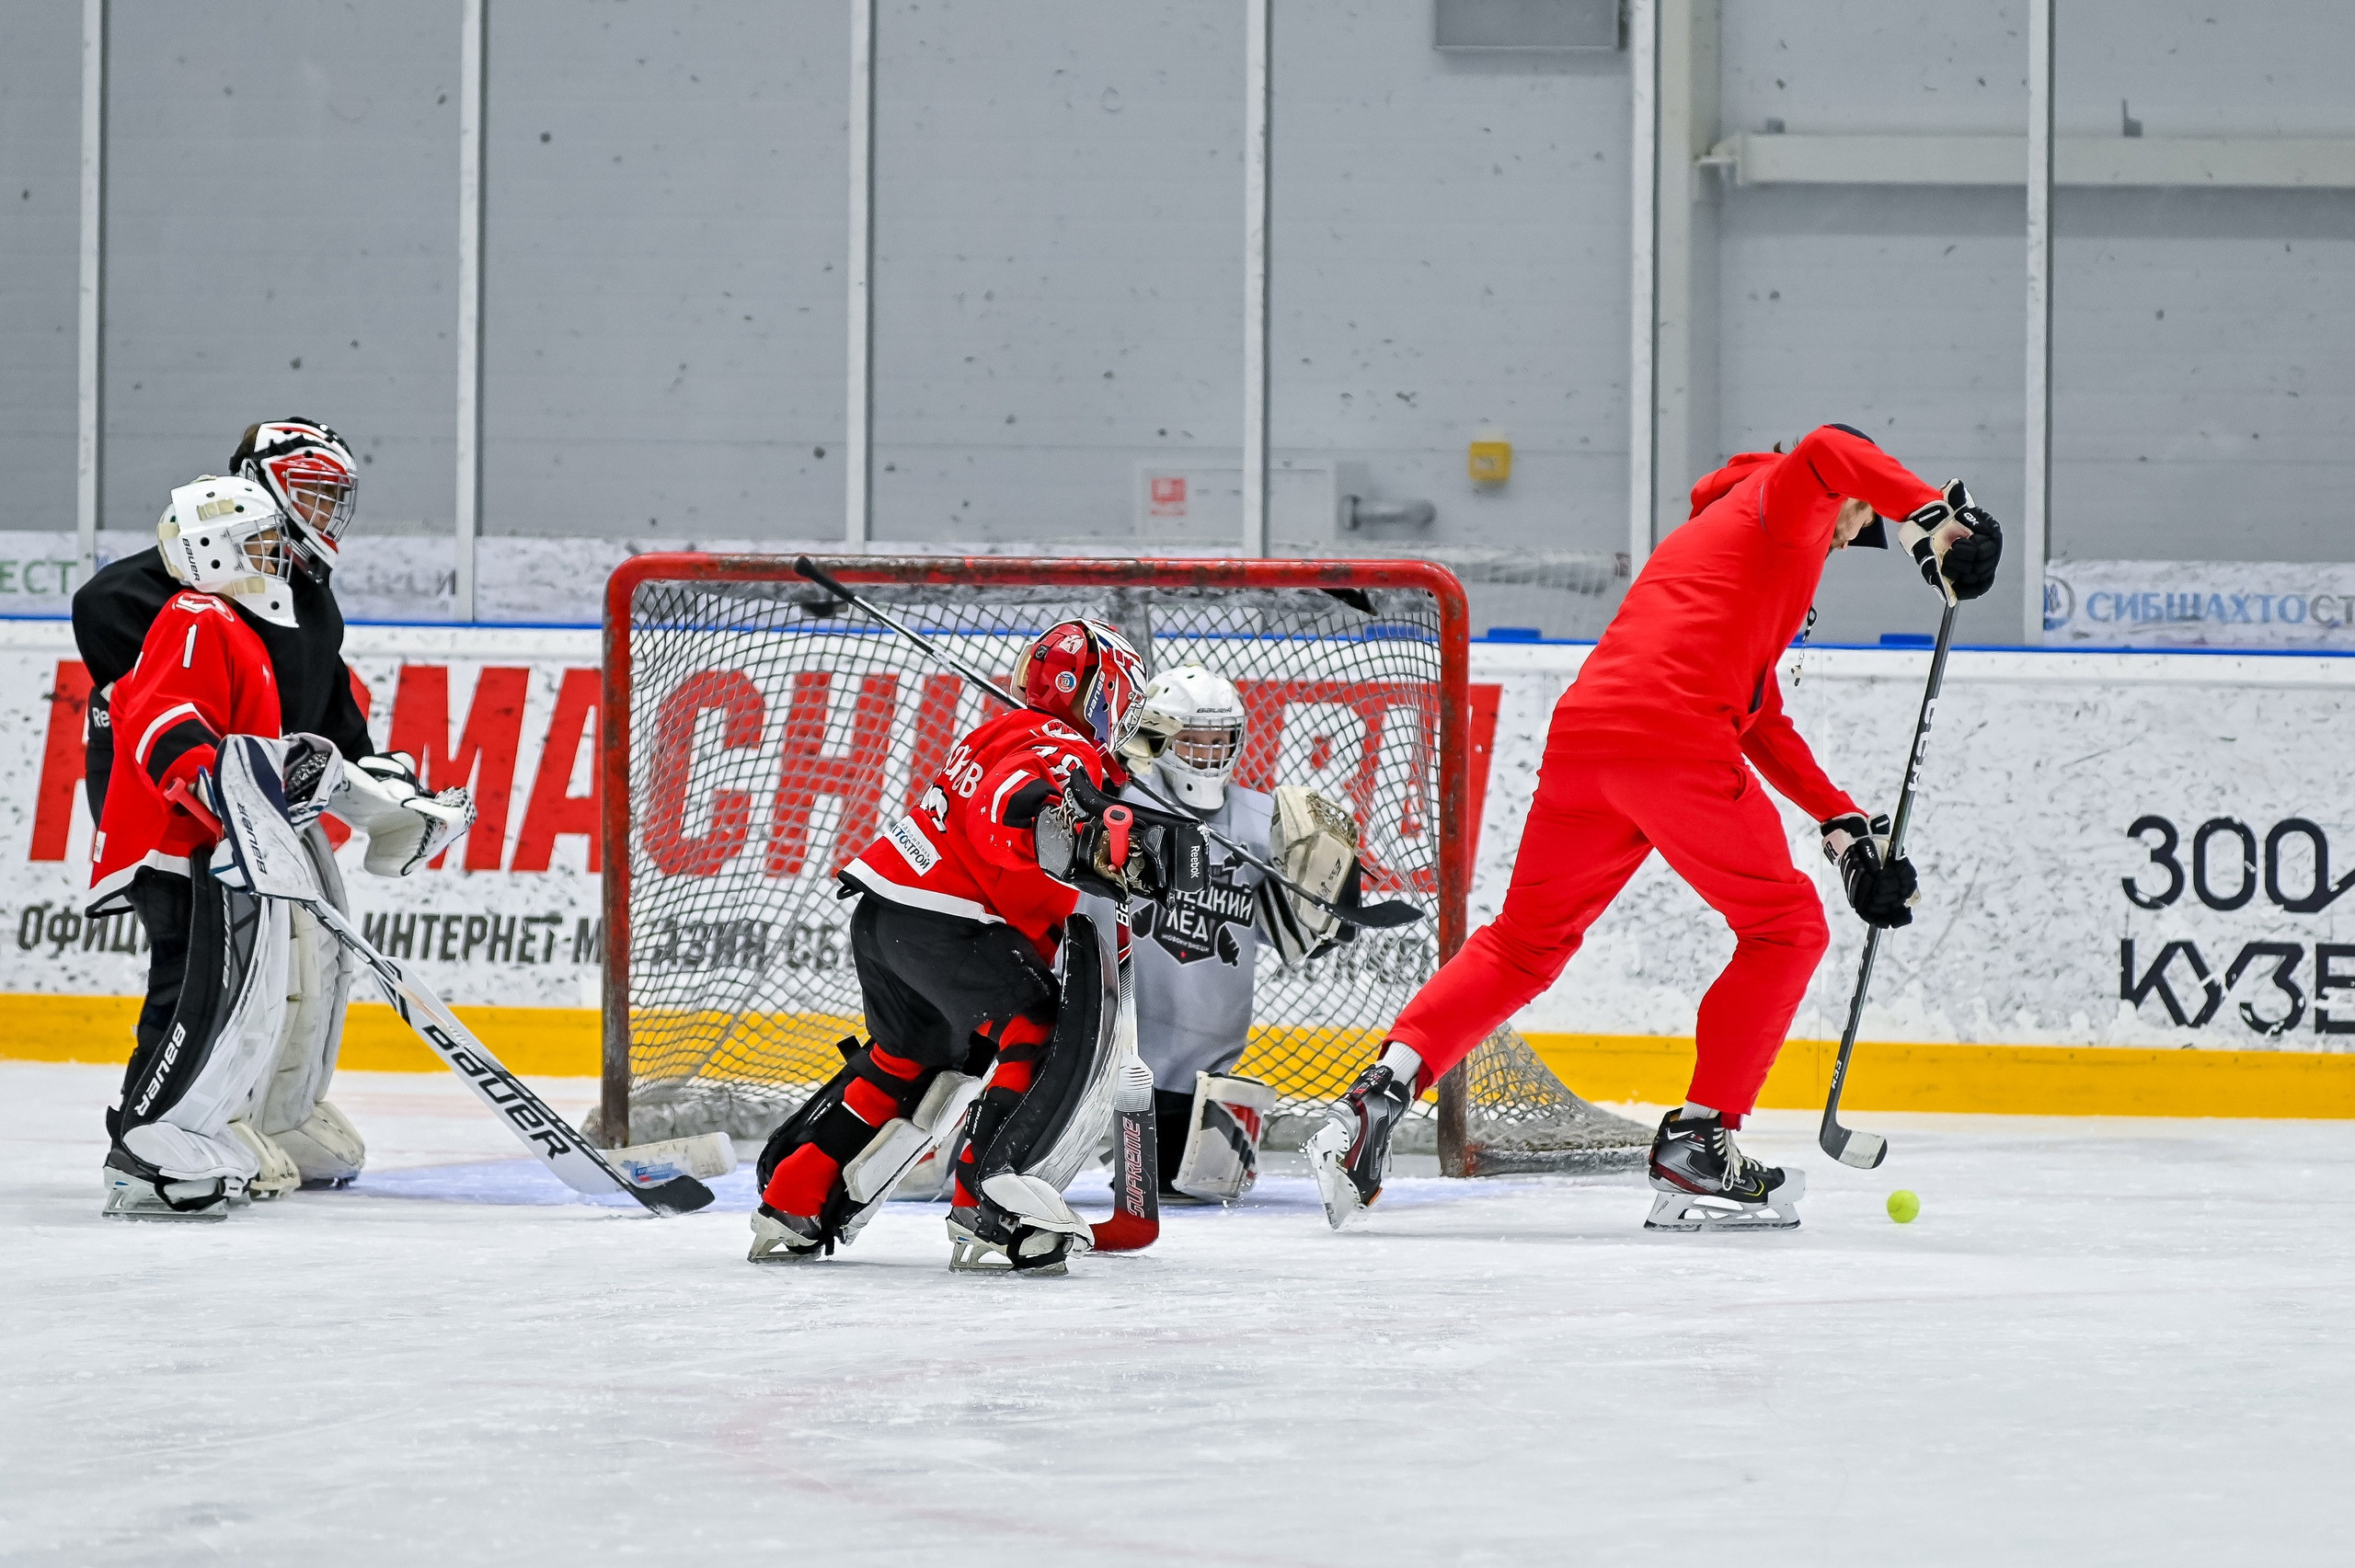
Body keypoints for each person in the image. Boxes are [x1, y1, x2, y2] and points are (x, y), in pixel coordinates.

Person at [1308, 423, 2004, 1232]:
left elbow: (1758, 712)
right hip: (1673, 742)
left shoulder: (1722, 528)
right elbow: (1824, 447)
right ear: (1848, 499)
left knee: (1525, 943)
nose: (1854, 538)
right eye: (1860, 522)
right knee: (1786, 927)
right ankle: (1702, 1138)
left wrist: (1839, 823)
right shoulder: (1788, 500)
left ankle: (1379, 1095)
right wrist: (1934, 515)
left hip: (1588, 742)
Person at [749, 617, 1199, 1275]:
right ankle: (991, 1202)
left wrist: (1107, 813)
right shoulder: (1058, 745)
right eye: (1119, 706)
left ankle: (795, 1197)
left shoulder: (1008, 731)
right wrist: (1071, 826)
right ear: (1098, 696)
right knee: (1040, 1029)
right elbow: (1013, 805)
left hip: (888, 914)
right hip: (948, 922)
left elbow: (1074, 791)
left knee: (908, 1062)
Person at [93, 476, 472, 1219]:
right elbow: (165, 720)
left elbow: (261, 745)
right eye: (261, 541)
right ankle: (144, 1146)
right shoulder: (195, 613)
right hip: (184, 845)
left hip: (228, 843)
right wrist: (220, 793)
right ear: (211, 549)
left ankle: (193, 1129)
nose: (277, 553)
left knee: (246, 1003)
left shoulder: (243, 627)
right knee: (193, 1000)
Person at [1118, 665, 1361, 1203]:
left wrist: (1332, 901)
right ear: (1157, 737)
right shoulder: (1115, 808)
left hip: (1202, 1071)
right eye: (1193, 740)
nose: (1207, 754)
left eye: (1220, 740)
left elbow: (1306, 938)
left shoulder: (1261, 820)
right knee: (1027, 1172)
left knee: (1190, 1191)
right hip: (1108, 1052)